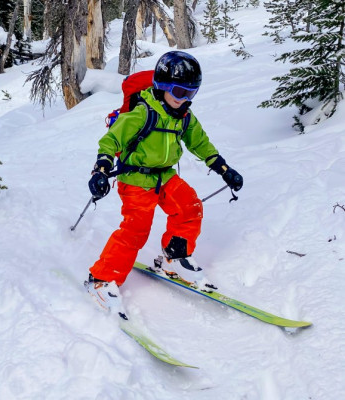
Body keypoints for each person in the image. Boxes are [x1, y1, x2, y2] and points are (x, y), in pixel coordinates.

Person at [85, 51, 243, 312]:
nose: (185, 100)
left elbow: (200, 144)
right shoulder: (141, 114)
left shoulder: (184, 117)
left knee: (190, 207)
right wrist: (101, 169)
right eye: (180, 92)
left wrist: (224, 169)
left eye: (191, 94)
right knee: (136, 229)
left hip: (165, 176)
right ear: (161, 87)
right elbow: (111, 140)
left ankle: (175, 256)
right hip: (136, 179)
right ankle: (101, 279)